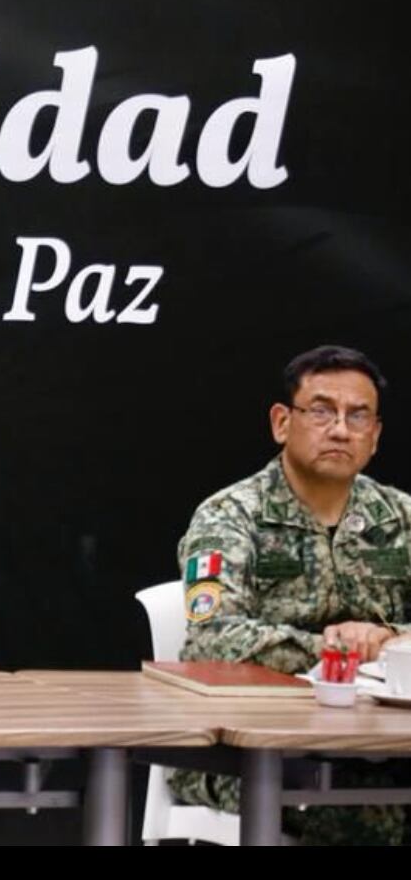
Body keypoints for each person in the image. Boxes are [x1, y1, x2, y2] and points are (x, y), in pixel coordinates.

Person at [173, 344, 411, 844]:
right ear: (282, 422)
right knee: (368, 809)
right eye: (321, 411)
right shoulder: (230, 516)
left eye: (357, 416)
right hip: (249, 753)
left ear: (375, 435)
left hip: (386, 746)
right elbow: (211, 640)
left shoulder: (400, 518)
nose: (340, 429)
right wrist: (337, 652)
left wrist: (390, 639)